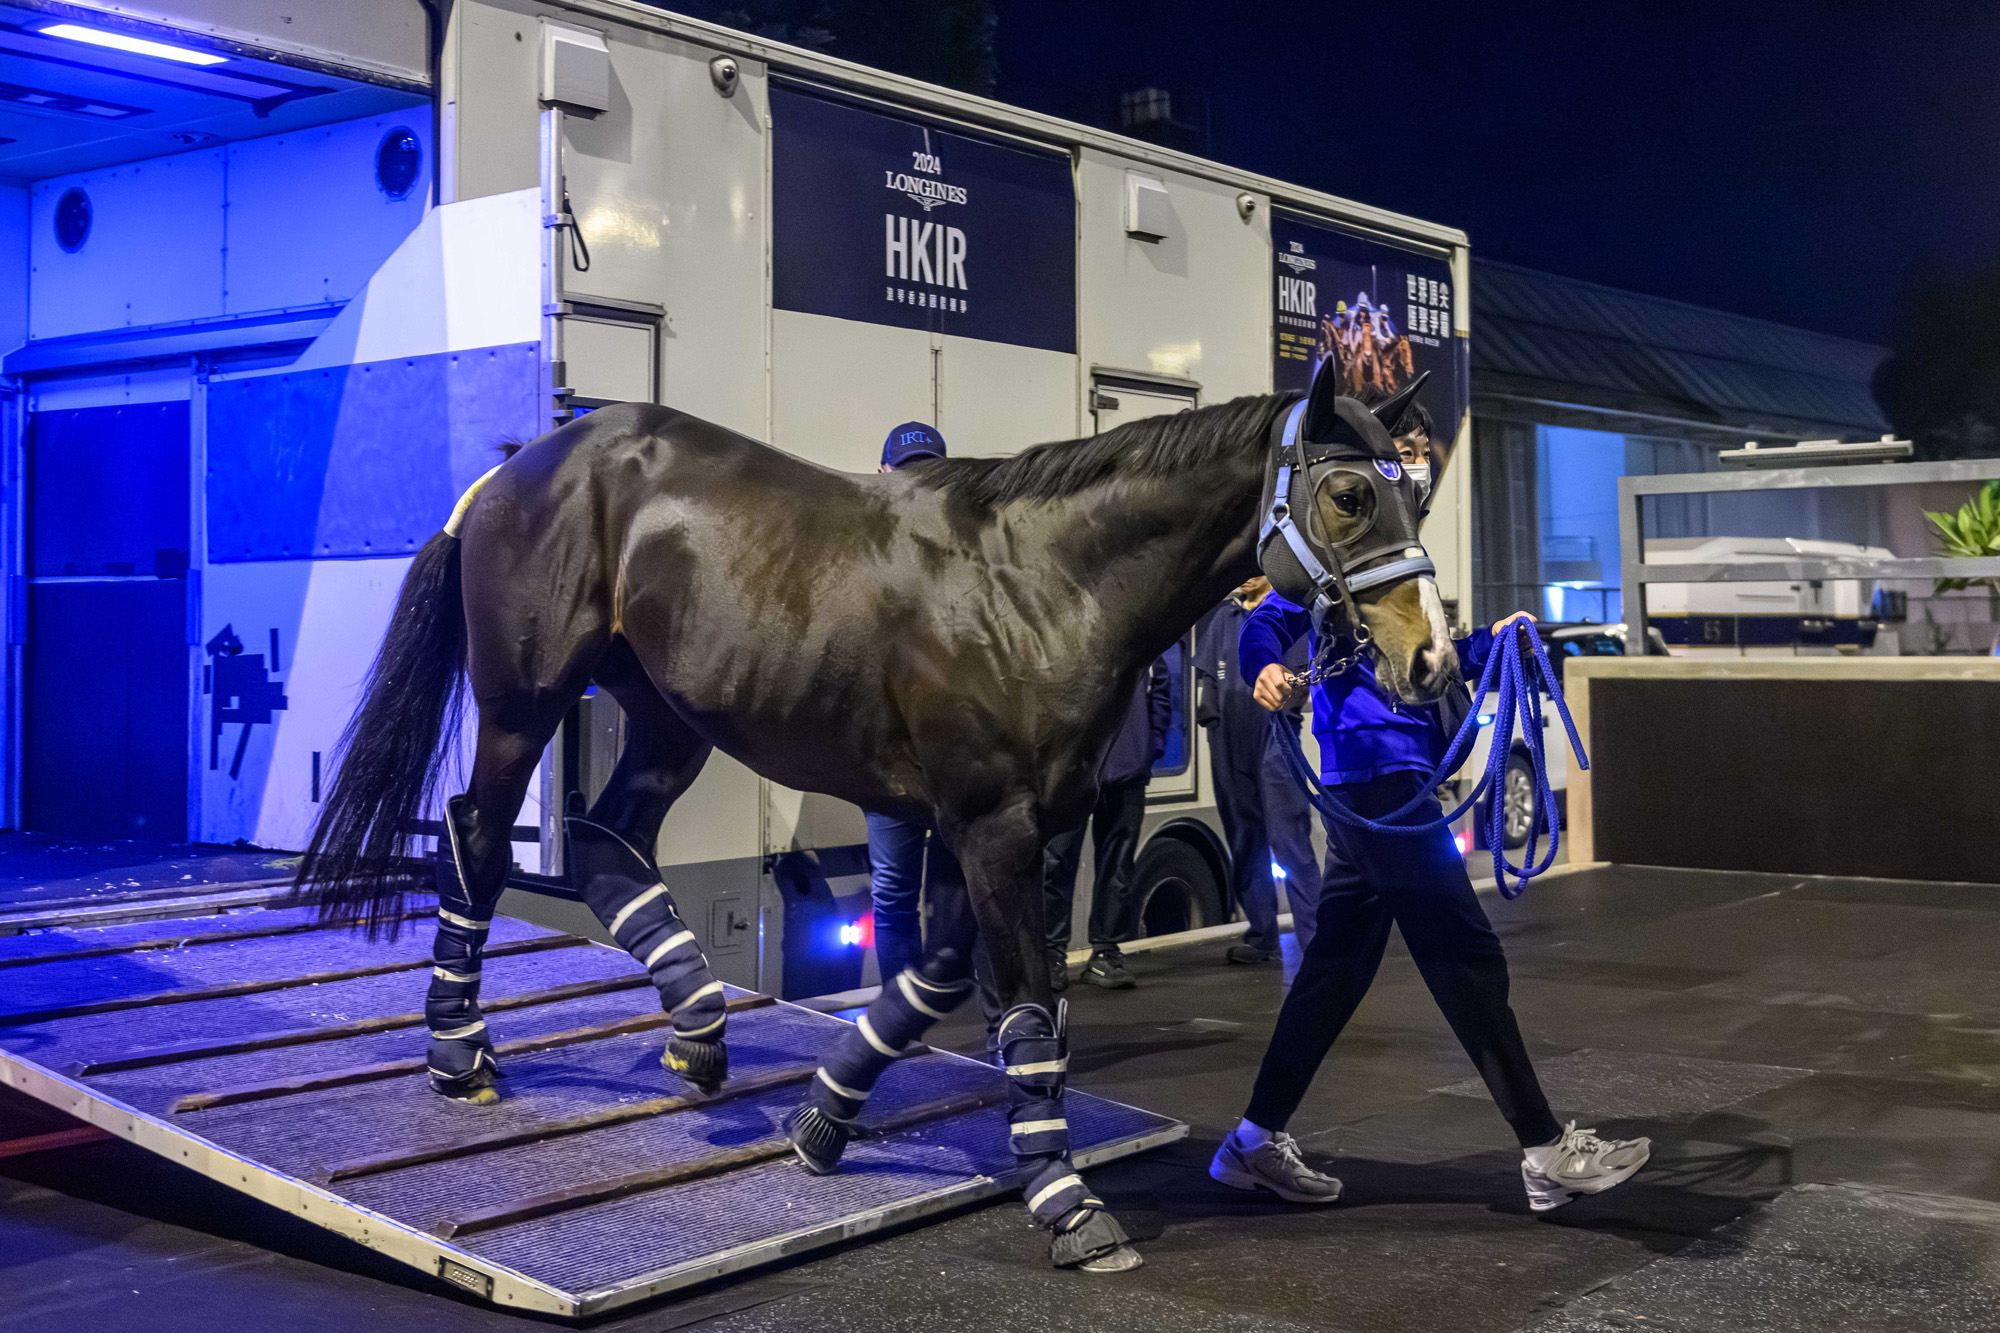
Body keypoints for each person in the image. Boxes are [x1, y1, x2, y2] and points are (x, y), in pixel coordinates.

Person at [1209, 597, 1652, 1213]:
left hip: (1386, 774)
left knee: (1335, 971)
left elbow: (1429, 663)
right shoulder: (1336, 547)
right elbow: (1268, 619)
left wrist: (1489, 646)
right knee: (1464, 952)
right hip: (1377, 774)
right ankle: (1546, 1152)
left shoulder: (1398, 559)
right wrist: (1261, 663)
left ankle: (1252, 1141)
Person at [865, 422, 956, 983]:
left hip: (951, 757)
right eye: (906, 473)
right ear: (882, 476)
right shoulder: (859, 561)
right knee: (895, 895)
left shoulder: (961, 558)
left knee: (948, 893)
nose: (914, 486)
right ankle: (900, 1016)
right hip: (891, 760)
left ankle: (939, 1012)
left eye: (927, 473)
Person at [1194, 576, 1322, 964]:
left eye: (1257, 565)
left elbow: (1301, 677)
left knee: (1289, 840)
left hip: (1276, 731)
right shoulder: (1225, 617)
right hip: (1227, 736)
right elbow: (1207, 680)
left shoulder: (1286, 612)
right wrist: (1211, 719)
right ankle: (1262, 934)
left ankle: (1318, 943)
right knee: (1244, 838)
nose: (1248, 574)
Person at [1042, 656, 1173, 991]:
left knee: (1116, 866)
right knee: (1056, 861)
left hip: (1126, 767)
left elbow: (1160, 685)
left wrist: (1151, 745)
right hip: (1070, 767)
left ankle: (1105, 952)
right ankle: (1051, 954)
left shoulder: (1141, 627)